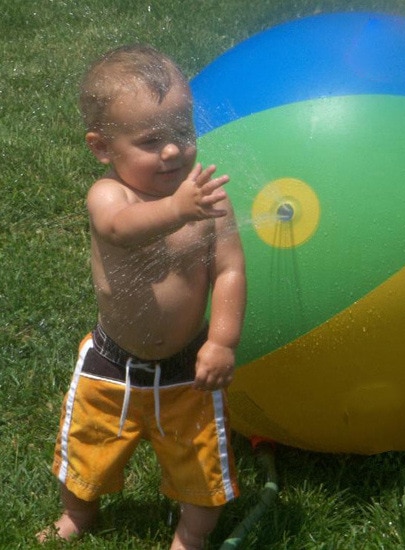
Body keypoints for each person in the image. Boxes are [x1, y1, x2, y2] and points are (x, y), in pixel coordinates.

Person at [38, 44, 246, 550]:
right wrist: (179, 208)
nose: (173, 151)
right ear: (103, 147)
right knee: (85, 452)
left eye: (182, 134)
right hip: (111, 367)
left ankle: (190, 538)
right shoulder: (110, 196)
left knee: (202, 466)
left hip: (186, 369)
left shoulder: (207, 202)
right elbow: (122, 229)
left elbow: (230, 269)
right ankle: (77, 515)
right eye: (151, 141)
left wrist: (220, 341)